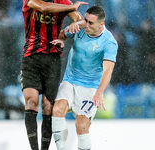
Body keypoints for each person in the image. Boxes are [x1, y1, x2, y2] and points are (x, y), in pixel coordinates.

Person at [20, 0, 88, 150]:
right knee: (31, 101)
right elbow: (43, 6)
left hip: (52, 59)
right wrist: (71, 7)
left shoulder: (63, 2)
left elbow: (83, 21)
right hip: (30, 57)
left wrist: (72, 27)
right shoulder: (32, 0)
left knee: (48, 106)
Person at [50, 6, 118, 150]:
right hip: (70, 80)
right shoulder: (79, 28)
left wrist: (99, 92)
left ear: (101, 24)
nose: (86, 24)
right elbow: (63, 34)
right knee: (57, 111)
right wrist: (62, 40)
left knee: (81, 126)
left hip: (90, 86)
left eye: (91, 23)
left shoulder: (109, 42)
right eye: (85, 20)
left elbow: (108, 70)